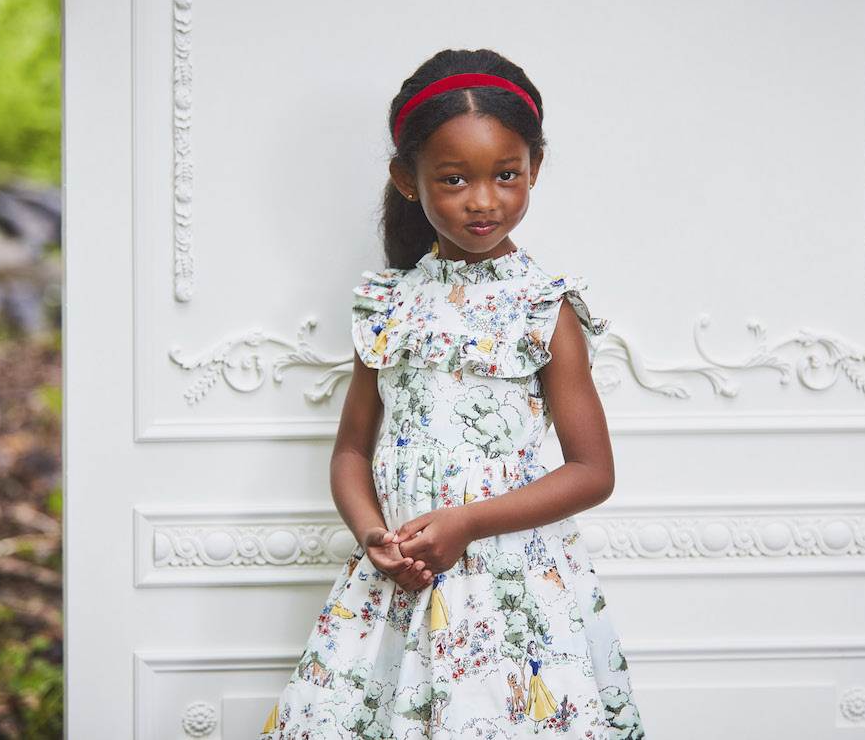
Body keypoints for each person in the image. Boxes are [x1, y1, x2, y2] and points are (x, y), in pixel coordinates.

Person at [258, 48, 645, 739]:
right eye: (455, 178)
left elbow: (593, 471)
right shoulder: (388, 306)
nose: (484, 200)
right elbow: (351, 452)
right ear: (406, 180)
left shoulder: (543, 307)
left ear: (535, 168)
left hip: (513, 589)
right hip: (399, 580)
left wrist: (466, 523)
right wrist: (372, 535)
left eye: (506, 174)